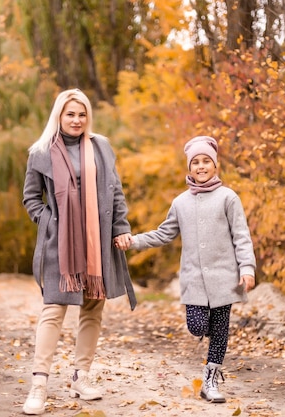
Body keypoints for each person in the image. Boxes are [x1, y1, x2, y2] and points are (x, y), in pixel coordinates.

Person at [21, 88, 137, 415]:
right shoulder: (40, 152)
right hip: (61, 244)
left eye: (82, 114)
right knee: (53, 310)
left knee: (92, 310)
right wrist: (50, 222)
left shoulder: (101, 147)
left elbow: (116, 192)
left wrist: (121, 227)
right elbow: (31, 198)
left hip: (97, 242)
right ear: (59, 115)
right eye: (70, 114)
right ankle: (39, 384)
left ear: (88, 117)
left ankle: (80, 376)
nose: (77, 120)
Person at [122, 135, 256, 403]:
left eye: (206, 161)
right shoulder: (181, 202)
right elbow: (164, 233)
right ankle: (208, 341)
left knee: (220, 330)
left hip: (224, 277)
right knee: (197, 325)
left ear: (215, 165)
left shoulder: (228, 198)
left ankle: (211, 380)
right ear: (189, 168)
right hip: (194, 278)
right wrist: (133, 241)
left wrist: (247, 268)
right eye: (196, 162)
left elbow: (242, 236)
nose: (201, 166)